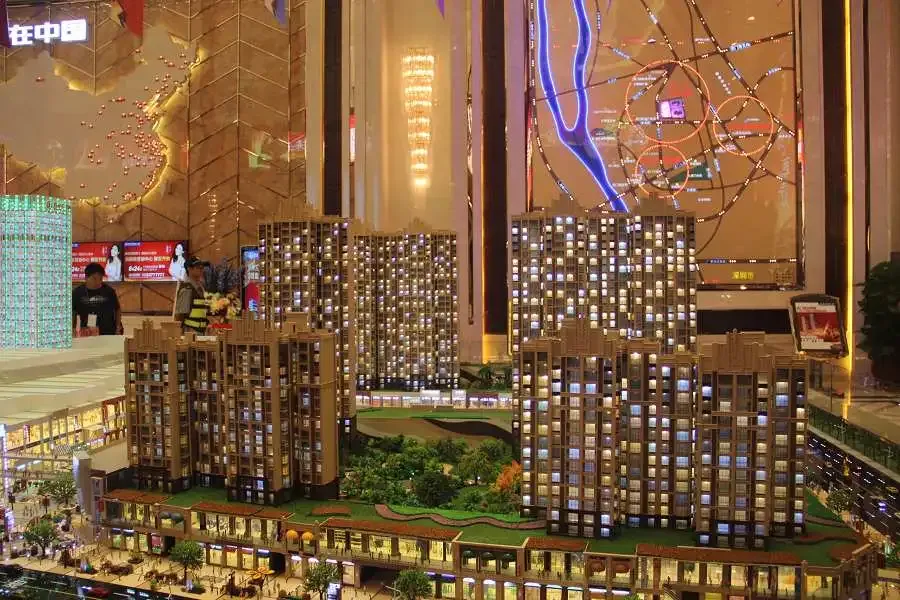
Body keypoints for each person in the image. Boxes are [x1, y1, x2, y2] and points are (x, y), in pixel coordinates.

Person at [72, 263, 123, 336]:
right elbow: (72, 312)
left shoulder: (109, 291)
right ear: (86, 277)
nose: (98, 282)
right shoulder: (77, 293)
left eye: (100, 279)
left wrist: (118, 327)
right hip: (87, 333)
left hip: (108, 332)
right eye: (94, 278)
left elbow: (117, 309)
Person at [174, 256, 209, 334]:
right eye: (198, 267)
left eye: (202, 267)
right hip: (189, 332)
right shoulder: (187, 289)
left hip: (201, 331)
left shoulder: (201, 287)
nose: (201, 269)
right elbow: (180, 315)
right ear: (189, 269)